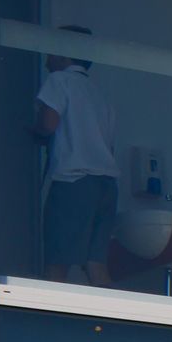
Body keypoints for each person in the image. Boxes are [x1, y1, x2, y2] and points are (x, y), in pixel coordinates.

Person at [34, 31, 119, 284]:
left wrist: (31, 130)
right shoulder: (100, 96)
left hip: (74, 181)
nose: (46, 59)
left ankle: (48, 320)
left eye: (50, 51)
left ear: (63, 52)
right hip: (106, 185)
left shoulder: (59, 81)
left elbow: (49, 124)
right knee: (96, 263)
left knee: (56, 262)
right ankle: (108, 320)